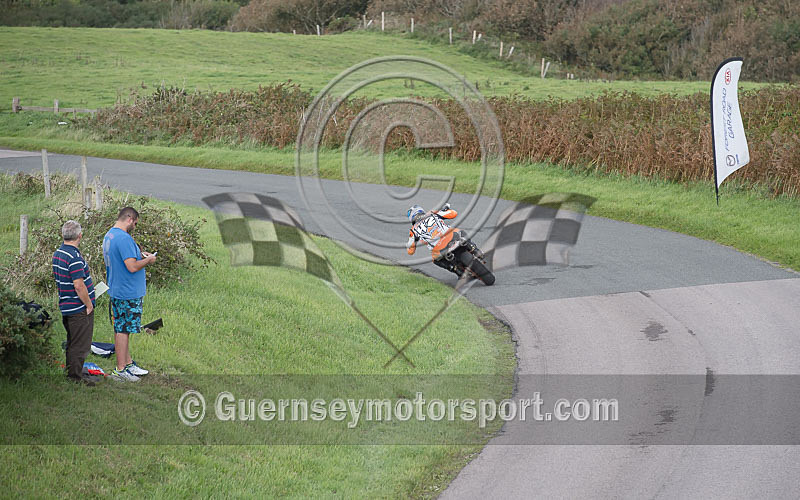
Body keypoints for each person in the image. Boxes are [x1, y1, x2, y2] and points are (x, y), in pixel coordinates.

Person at [102, 207, 156, 382]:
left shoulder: (110, 235)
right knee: (123, 330)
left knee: (123, 328)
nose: (135, 227)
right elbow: (132, 267)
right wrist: (148, 260)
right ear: (130, 219)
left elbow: (122, 257)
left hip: (118, 288)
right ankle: (120, 369)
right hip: (127, 291)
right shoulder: (124, 238)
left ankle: (128, 363)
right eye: (135, 223)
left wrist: (139, 255)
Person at [52, 220, 96, 386]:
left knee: (72, 341)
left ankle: (72, 372)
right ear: (79, 236)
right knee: (80, 344)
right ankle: (75, 378)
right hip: (78, 307)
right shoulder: (74, 257)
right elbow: (78, 285)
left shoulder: (58, 253)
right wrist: (89, 304)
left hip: (66, 304)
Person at [406, 203, 477, 278]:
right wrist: (446, 210)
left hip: (439, 249)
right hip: (451, 236)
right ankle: (474, 249)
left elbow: (410, 251)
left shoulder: (413, 231)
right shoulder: (432, 213)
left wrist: (409, 245)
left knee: (435, 260)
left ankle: (456, 270)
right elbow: (454, 214)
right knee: (460, 232)